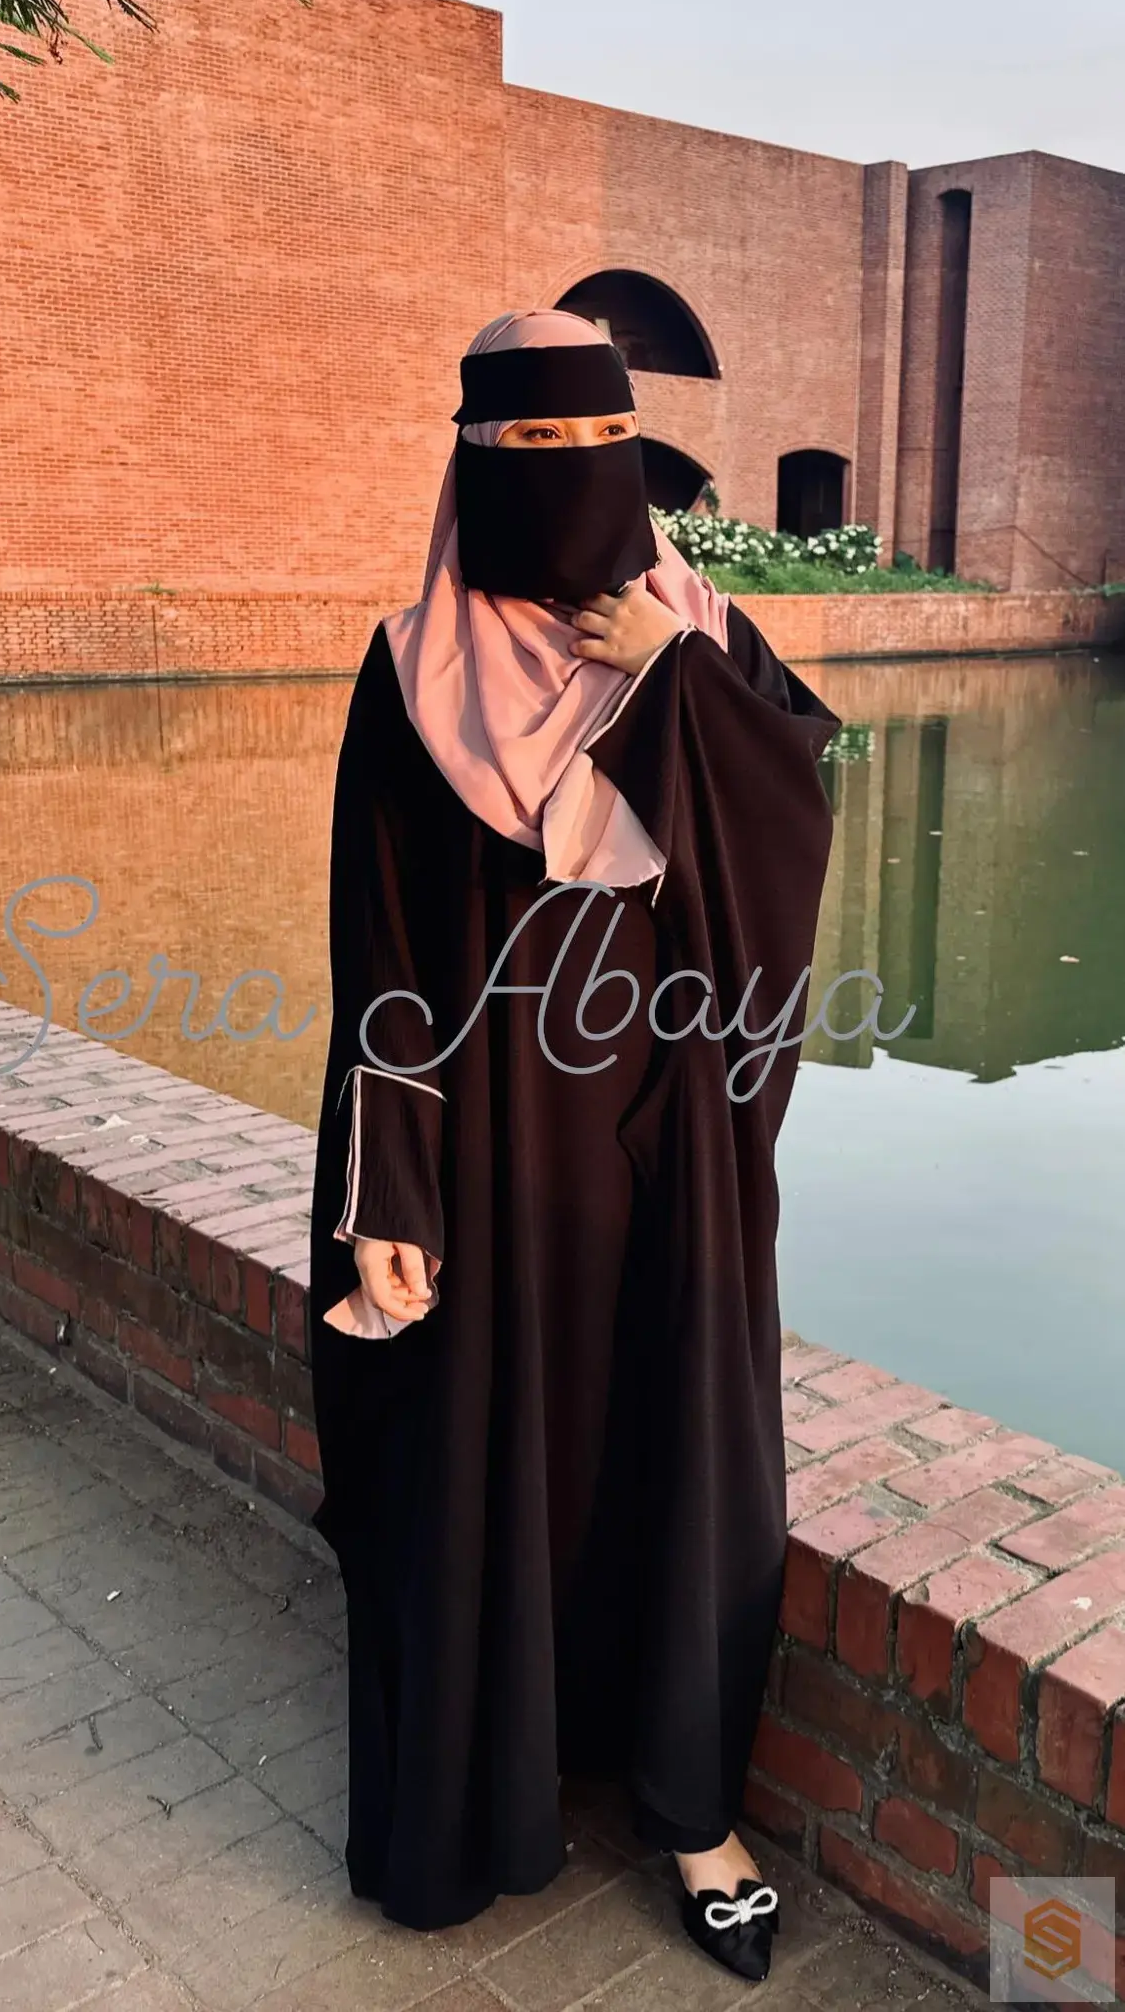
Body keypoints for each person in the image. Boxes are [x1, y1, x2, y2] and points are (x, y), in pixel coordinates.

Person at [308, 307, 841, 1982]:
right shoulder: (410, 670)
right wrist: (386, 1189)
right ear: (469, 460)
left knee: (684, 1455)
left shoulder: (707, 634)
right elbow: (382, 952)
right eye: (523, 446)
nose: (561, 476)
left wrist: (675, 681)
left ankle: (694, 1812)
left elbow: (788, 843)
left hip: (672, 1125)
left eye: (589, 442)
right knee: (481, 1455)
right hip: (486, 1140)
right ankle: (491, 1786)